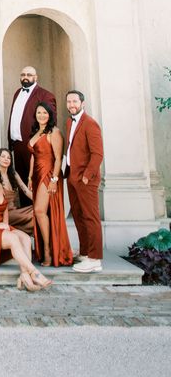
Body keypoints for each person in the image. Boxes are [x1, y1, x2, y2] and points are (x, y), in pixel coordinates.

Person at [0, 154, 52, 291]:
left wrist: (6, 225)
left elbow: (5, 209)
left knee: (25, 238)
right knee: (14, 238)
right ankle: (34, 273)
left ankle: (24, 275)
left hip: (1, 226)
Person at [27, 103, 73, 267]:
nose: (41, 115)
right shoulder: (35, 132)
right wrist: (30, 176)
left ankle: (48, 250)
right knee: (40, 211)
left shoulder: (54, 132)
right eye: (39, 112)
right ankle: (45, 249)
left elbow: (59, 158)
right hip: (37, 175)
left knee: (39, 211)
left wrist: (54, 180)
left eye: (44, 112)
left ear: (50, 114)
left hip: (49, 174)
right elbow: (33, 155)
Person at [64, 89, 104, 273]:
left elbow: (97, 154)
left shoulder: (90, 124)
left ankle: (95, 260)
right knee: (79, 217)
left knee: (91, 218)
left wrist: (86, 176)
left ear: (82, 103)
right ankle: (86, 253)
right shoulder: (69, 122)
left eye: (75, 102)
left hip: (86, 180)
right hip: (72, 177)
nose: (72, 105)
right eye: (69, 102)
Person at [7, 65, 57, 203]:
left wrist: (39, 143)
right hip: (17, 145)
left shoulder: (45, 95)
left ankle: (38, 215)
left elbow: (51, 122)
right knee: (22, 181)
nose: (25, 77)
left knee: (35, 181)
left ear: (36, 77)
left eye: (29, 75)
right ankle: (26, 213)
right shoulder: (17, 93)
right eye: (23, 75)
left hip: (34, 146)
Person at [0, 147, 33, 235]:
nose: (6, 159)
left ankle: (17, 230)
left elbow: (26, 190)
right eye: (3, 156)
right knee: (33, 216)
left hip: (16, 211)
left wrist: (40, 202)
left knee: (38, 210)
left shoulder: (13, 174)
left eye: (8, 157)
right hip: (4, 213)